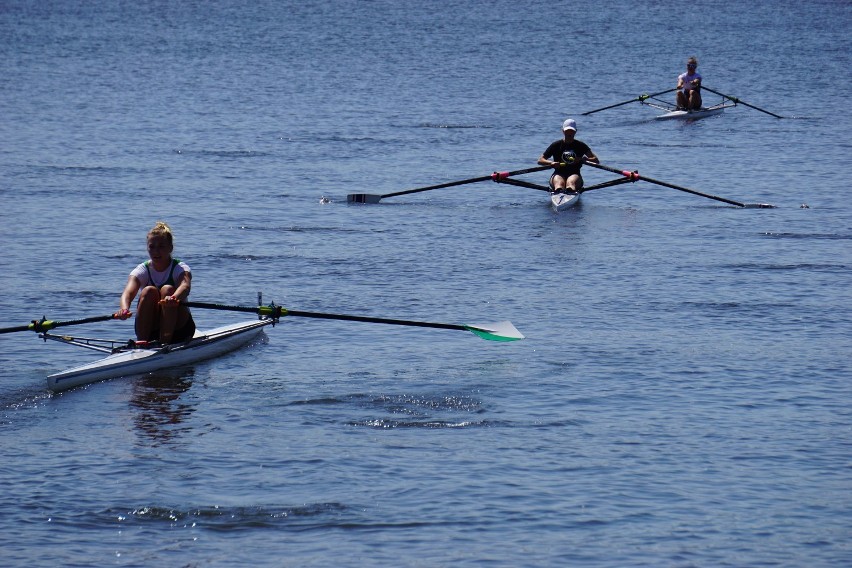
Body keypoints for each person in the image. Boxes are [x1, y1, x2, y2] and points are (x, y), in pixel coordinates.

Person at [116, 221, 196, 344]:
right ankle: (142, 343)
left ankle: (164, 343)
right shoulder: (142, 270)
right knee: (148, 291)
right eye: (152, 247)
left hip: (180, 329)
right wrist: (124, 309)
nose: (156, 251)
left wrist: (174, 298)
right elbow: (127, 293)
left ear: (170, 248)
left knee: (167, 290)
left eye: (161, 247)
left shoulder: (180, 268)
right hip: (152, 329)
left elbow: (185, 287)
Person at [537, 118, 599, 193]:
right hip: (558, 173)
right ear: (563, 131)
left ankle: (570, 192)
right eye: (567, 131)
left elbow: (596, 160)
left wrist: (582, 159)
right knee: (559, 184)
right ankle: (559, 193)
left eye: (572, 131)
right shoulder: (556, 145)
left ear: (575, 131)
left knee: (571, 183)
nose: (569, 133)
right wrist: (551, 163)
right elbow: (540, 160)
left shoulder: (581, 145)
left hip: (575, 174)